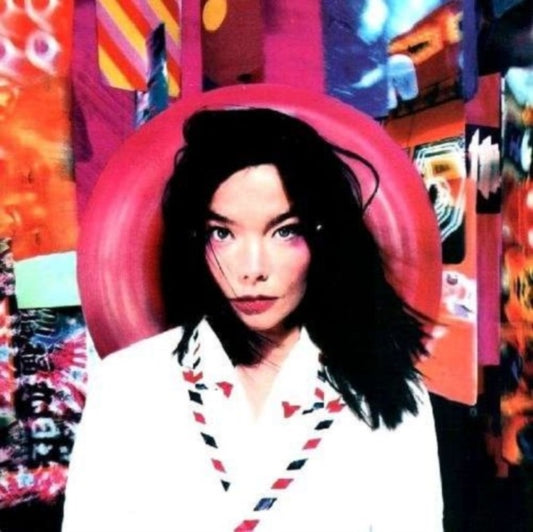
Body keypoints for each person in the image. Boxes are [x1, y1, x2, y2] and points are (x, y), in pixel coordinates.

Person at [61, 108, 443, 532]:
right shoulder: (130, 384)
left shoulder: (387, 391)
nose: (252, 269)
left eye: (285, 231)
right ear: (196, 241)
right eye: (223, 233)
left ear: (322, 237)